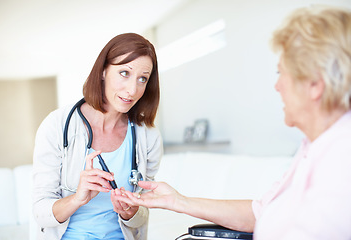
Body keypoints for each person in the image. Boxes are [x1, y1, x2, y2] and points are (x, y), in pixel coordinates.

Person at [115, 6, 351, 239]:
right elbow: (260, 213)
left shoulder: (341, 158)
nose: (277, 86)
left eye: (282, 74)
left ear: (315, 85)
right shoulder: (312, 148)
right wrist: (177, 201)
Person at [32, 33, 163, 240]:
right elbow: (41, 213)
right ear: (103, 71)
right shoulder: (56, 125)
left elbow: (143, 214)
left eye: (142, 79)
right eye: (124, 73)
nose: (132, 90)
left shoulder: (148, 136)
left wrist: (131, 212)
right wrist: (77, 198)